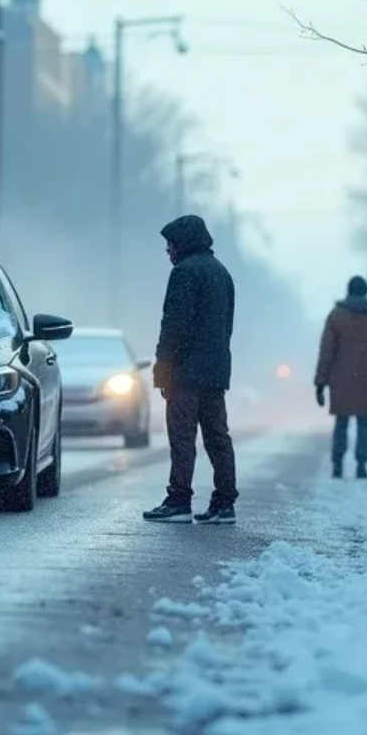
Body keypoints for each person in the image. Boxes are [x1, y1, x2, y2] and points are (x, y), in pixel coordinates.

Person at [143, 214, 239, 525]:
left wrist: (163, 367)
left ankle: (178, 500)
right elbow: (225, 326)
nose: (168, 250)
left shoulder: (185, 273)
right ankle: (225, 502)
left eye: (170, 244)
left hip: (185, 373)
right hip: (215, 371)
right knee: (217, 436)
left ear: (183, 242)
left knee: (182, 437)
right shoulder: (221, 273)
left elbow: (174, 326)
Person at [313, 275, 367, 479]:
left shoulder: (336, 316)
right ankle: (361, 464)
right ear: (366, 292)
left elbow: (327, 352)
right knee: (364, 424)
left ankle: (338, 464)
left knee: (341, 423)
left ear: (349, 291)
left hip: (341, 380)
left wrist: (320, 383)